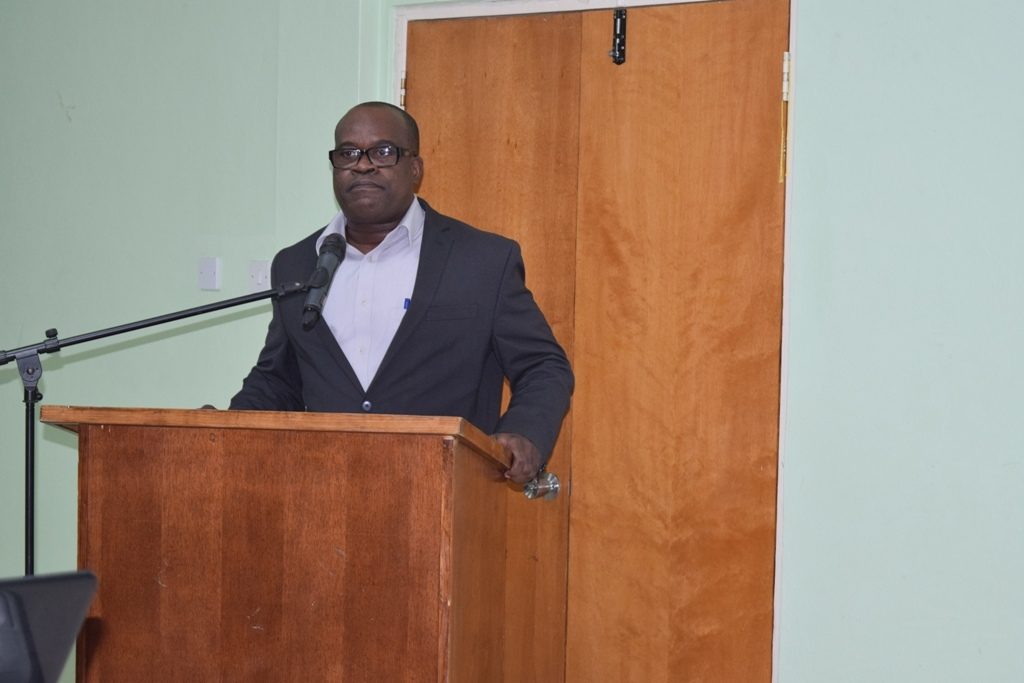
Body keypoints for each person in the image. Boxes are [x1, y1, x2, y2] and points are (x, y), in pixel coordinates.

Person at [229, 101, 573, 483]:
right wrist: (220, 431)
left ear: (415, 168)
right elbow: (279, 380)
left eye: (383, 152)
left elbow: (543, 365)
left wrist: (525, 434)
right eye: (348, 153)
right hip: (325, 488)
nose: (363, 165)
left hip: (443, 487)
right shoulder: (297, 264)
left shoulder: (482, 260)